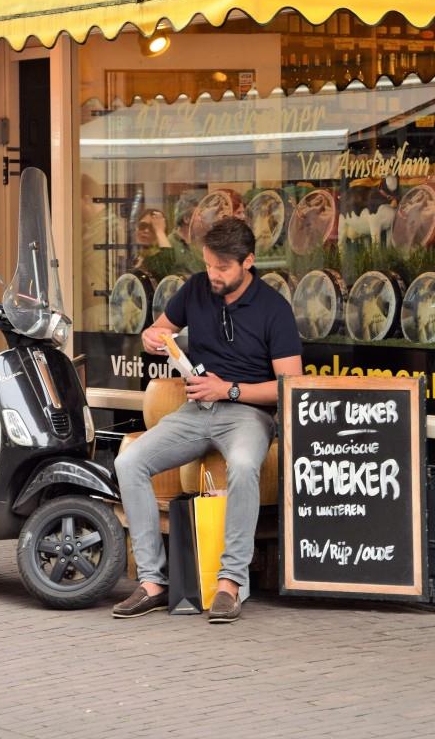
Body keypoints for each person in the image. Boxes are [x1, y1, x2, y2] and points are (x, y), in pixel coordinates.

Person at [113, 217, 303, 623]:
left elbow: (290, 385)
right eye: (208, 265)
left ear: (248, 262)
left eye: (222, 268)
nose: (212, 275)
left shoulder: (274, 309)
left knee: (244, 465)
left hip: (247, 412)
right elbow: (162, 330)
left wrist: (229, 389)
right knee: (129, 462)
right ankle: (151, 582)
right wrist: (152, 337)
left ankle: (229, 583)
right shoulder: (197, 288)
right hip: (195, 410)